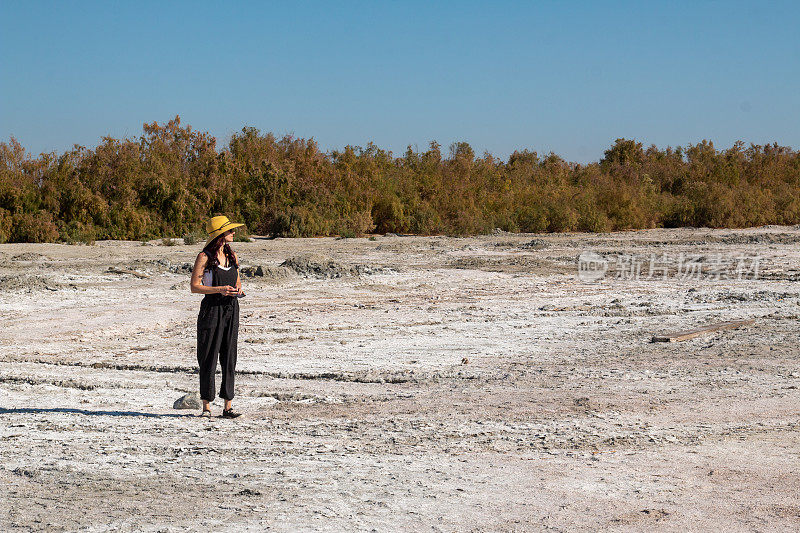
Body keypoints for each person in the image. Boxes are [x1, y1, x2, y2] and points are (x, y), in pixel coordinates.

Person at [190, 215, 245, 418]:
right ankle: (206, 407)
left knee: (229, 357)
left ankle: (228, 406)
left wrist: (237, 292)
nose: (233, 233)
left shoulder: (233, 257)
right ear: (220, 234)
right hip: (211, 310)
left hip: (231, 309)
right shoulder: (204, 257)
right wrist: (219, 289)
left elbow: (239, 284)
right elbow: (194, 287)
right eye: (230, 230)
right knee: (208, 356)